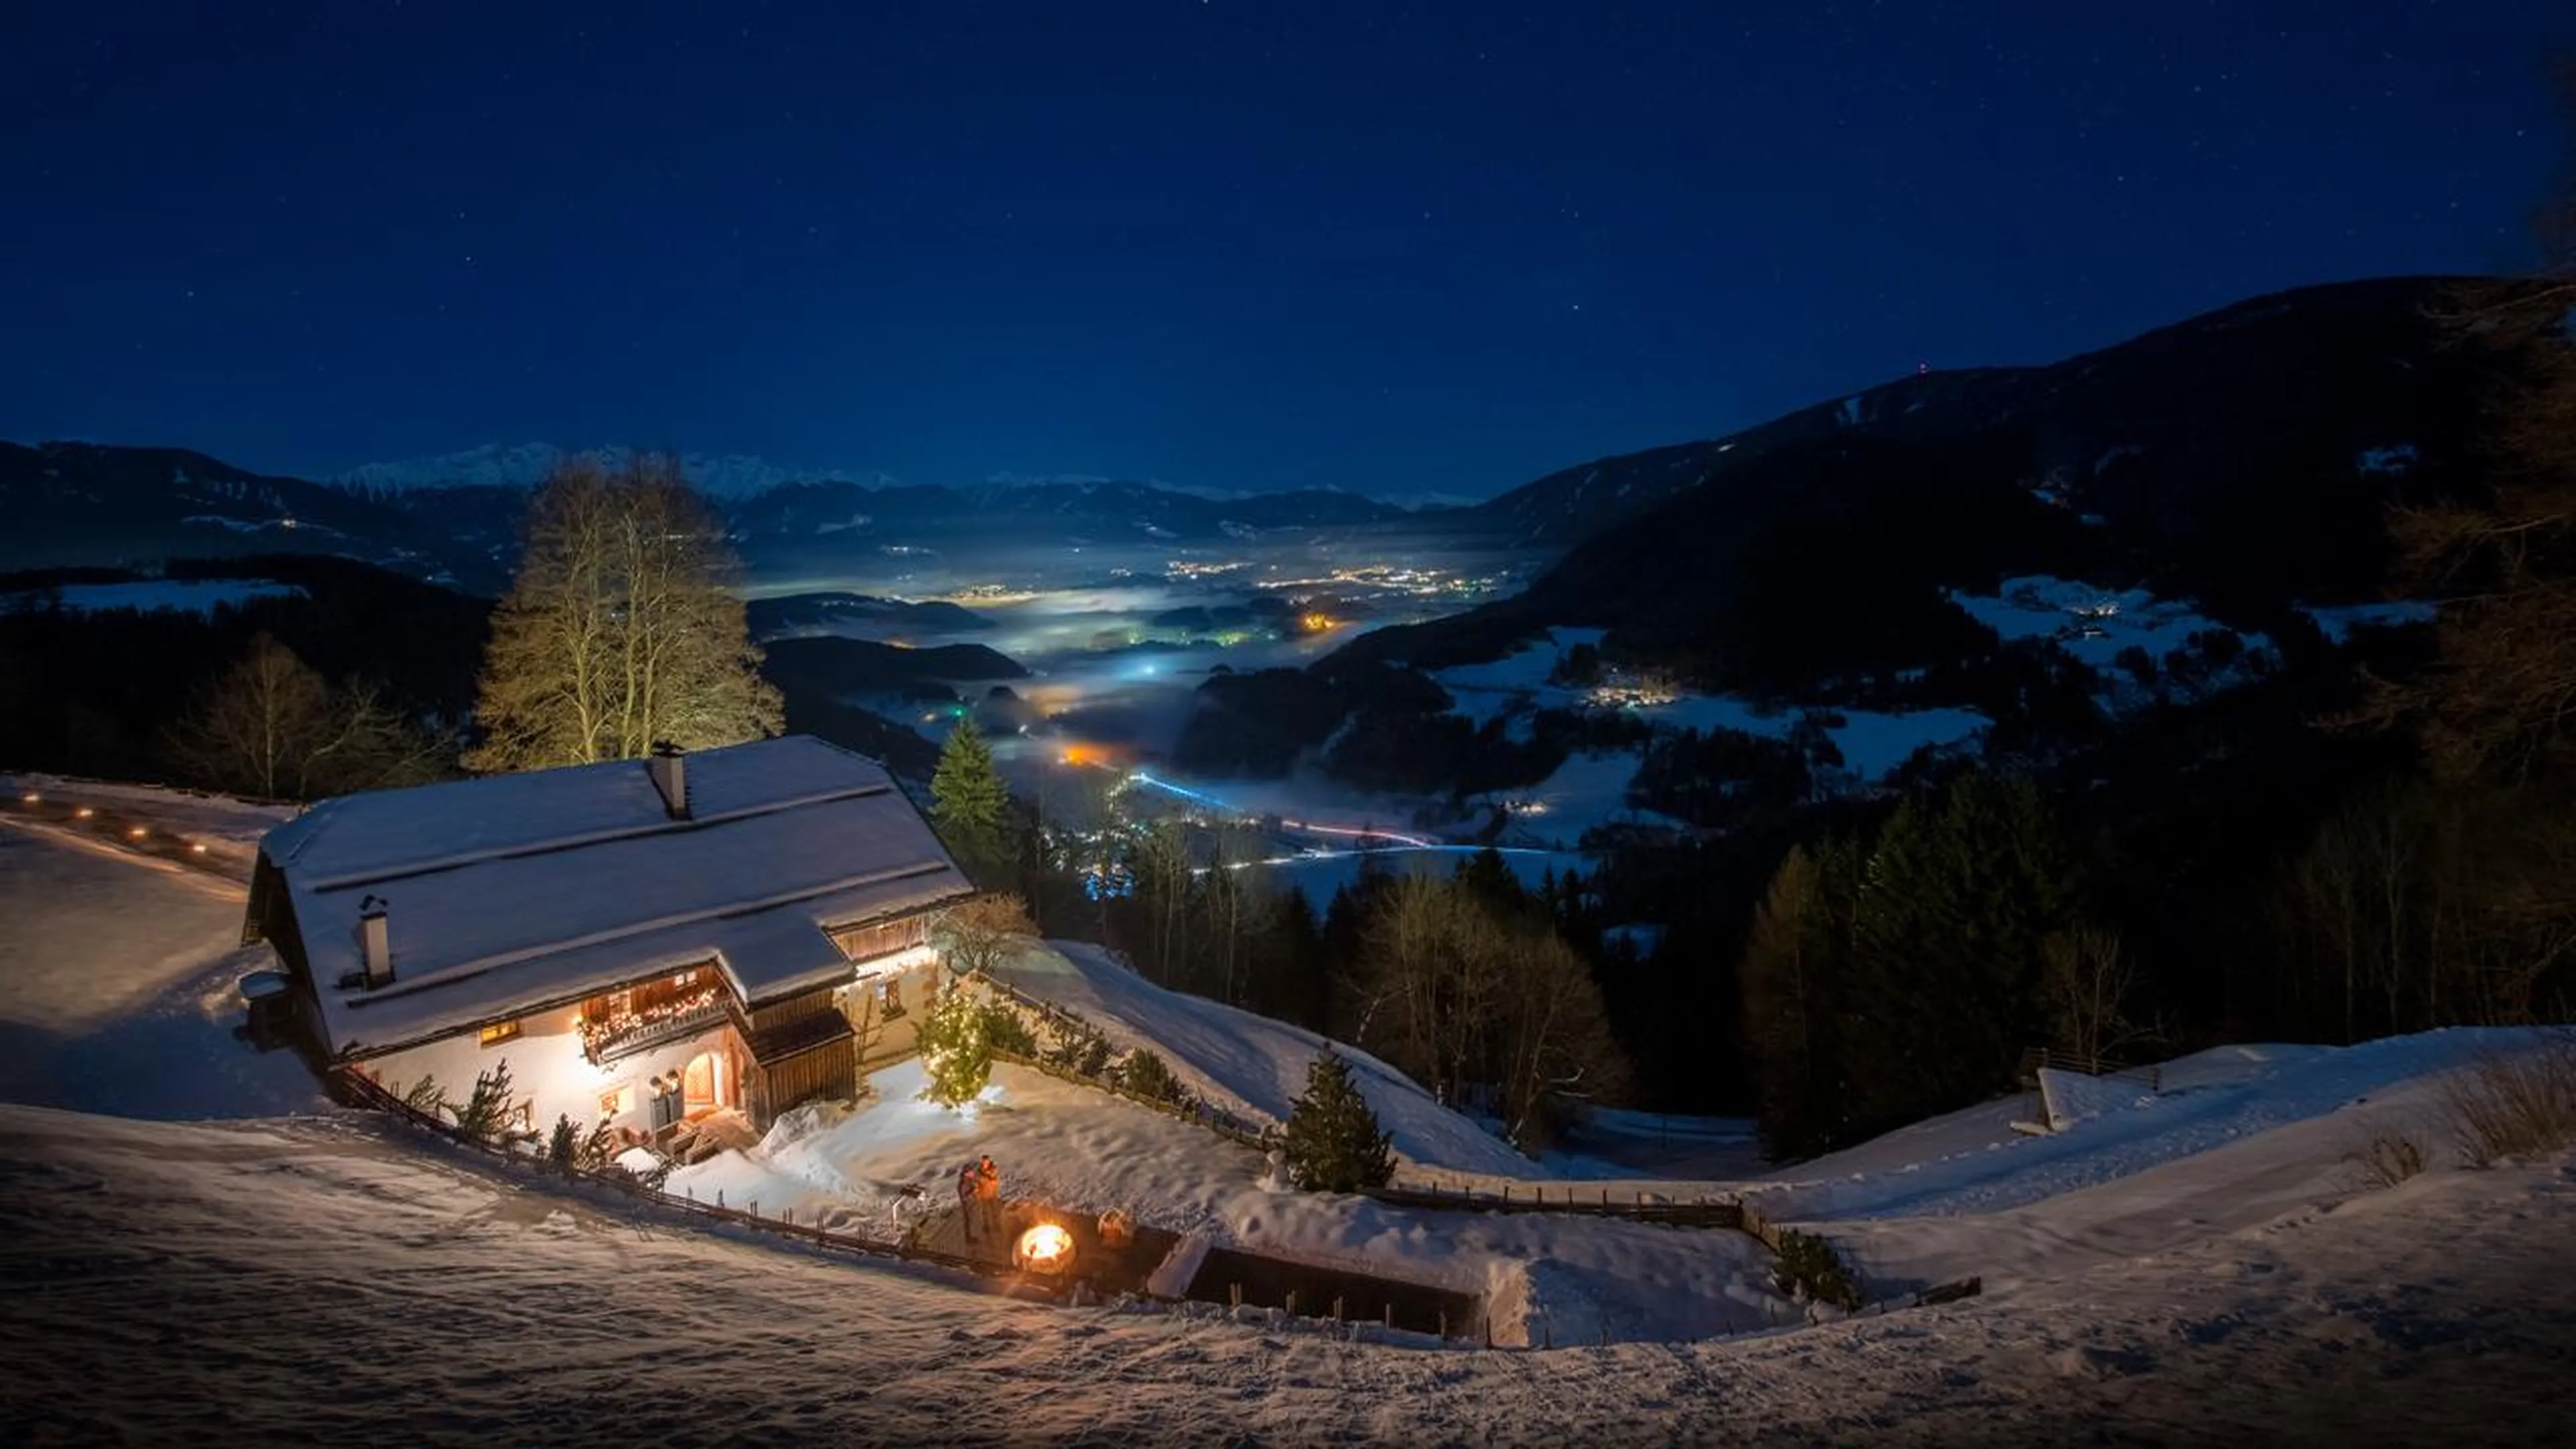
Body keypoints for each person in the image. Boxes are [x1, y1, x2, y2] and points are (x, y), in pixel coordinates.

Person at [956, 1161, 980, 1243]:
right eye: (970, 1172)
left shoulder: (968, 1181)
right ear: (966, 1173)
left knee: (970, 1221)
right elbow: (964, 1197)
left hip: (971, 1204)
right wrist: (973, 1191)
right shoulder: (963, 1183)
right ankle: (969, 1238)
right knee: (968, 1222)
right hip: (967, 1205)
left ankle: (970, 1237)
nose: (972, 1173)